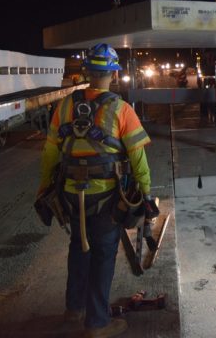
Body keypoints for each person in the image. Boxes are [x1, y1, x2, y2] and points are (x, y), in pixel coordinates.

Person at [37, 43, 153, 338]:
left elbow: (50, 152)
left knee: (78, 247)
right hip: (106, 198)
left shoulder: (64, 106)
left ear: (87, 71)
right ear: (113, 75)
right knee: (102, 253)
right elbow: (138, 158)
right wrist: (146, 194)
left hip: (69, 196)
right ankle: (97, 324)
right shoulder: (121, 109)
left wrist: (43, 189)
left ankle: (73, 311)